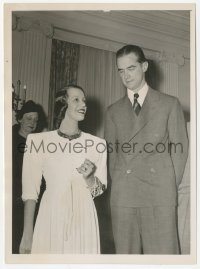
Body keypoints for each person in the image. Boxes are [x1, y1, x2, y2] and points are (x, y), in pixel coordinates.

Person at [104, 45, 188, 254]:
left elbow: (180, 150)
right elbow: (112, 156)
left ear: (144, 66)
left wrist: (165, 183)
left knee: (163, 257)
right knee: (126, 258)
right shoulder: (112, 111)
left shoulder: (170, 104)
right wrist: (122, 181)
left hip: (159, 193)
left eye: (131, 68)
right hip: (124, 196)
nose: (126, 75)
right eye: (121, 70)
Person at [19, 85, 107, 254]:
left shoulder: (98, 144)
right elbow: (30, 193)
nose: (83, 104)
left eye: (84, 100)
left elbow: (99, 191)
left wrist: (89, 178)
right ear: (63, 104)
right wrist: (27, 234)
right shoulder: (37, 142)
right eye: (76, 99)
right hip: (51, 215)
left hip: (84, 218)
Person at [12, 100, 40, 253]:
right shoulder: (8, 139)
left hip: (29, 201)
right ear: (20, 118)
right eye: (29, 118)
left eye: (35, 120)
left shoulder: (37, 143)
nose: (33, 123)